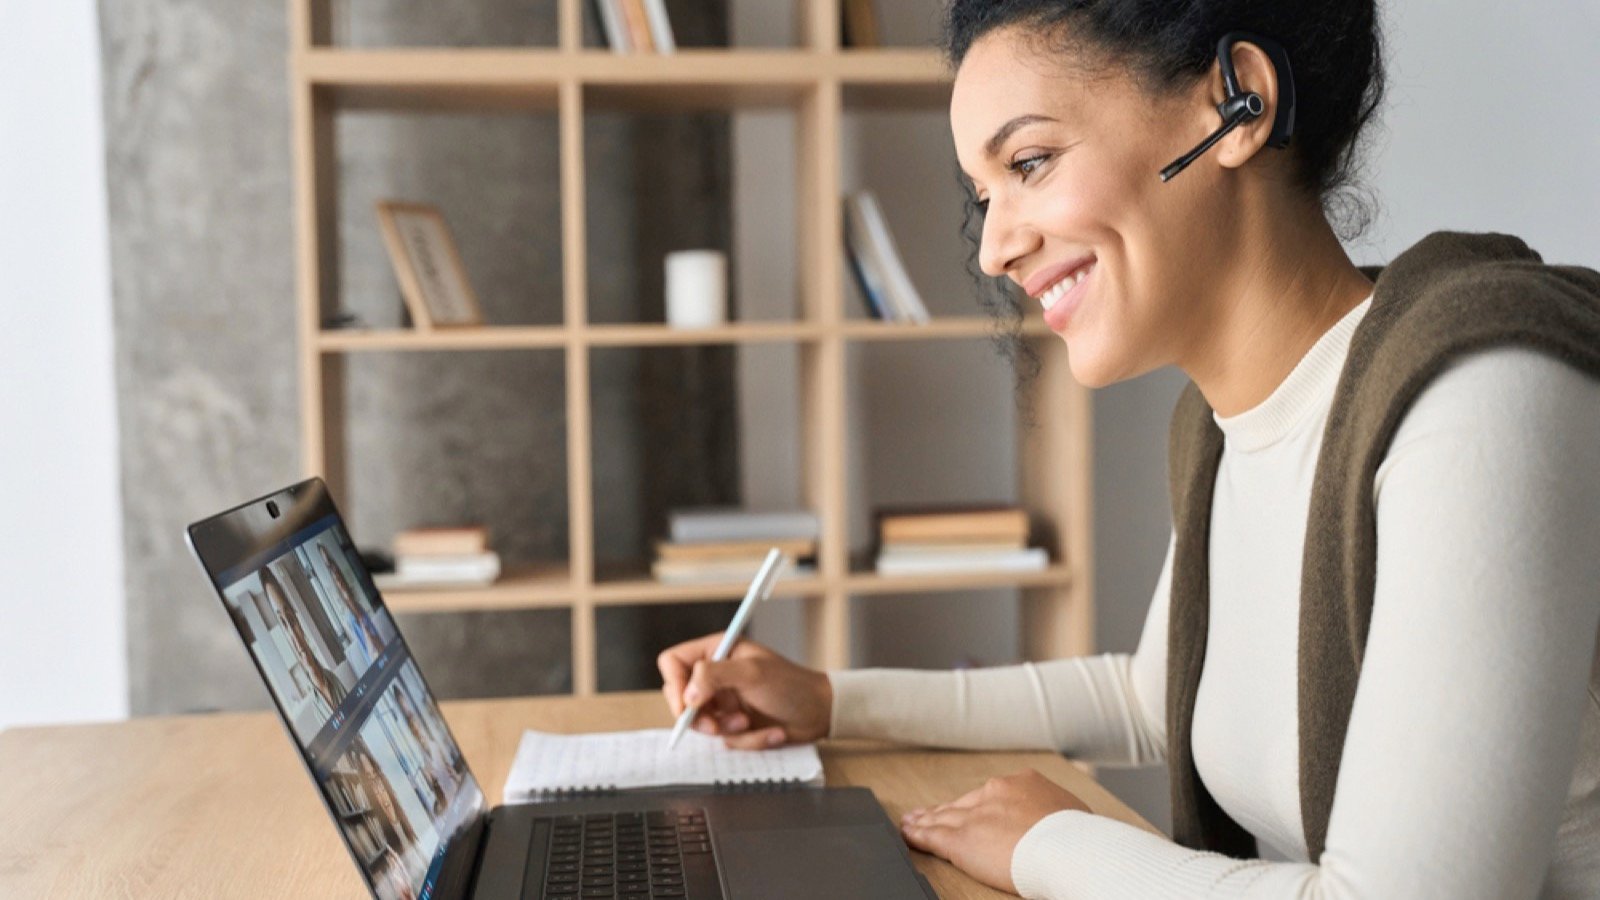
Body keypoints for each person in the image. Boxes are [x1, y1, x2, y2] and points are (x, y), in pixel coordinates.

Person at [657, 1, 1600, 897]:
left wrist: (1052, 844)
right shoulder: (1216, 428)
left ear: (1240, 103)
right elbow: (1150, 698)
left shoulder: (1481, 389)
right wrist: (828, 700)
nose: (992, 249)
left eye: (1030, 161)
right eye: (983, 195)